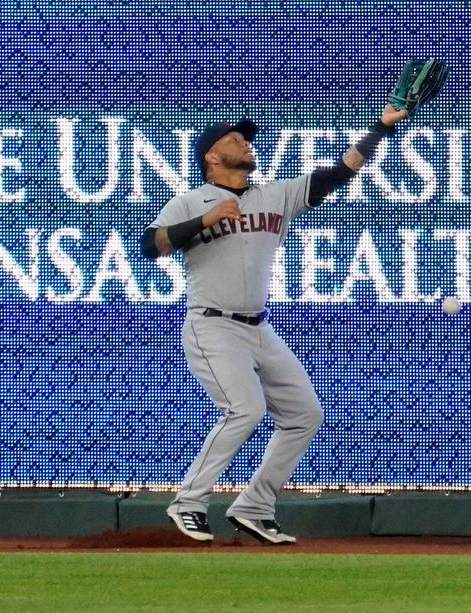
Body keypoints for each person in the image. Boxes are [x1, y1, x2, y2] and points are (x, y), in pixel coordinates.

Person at [142, 104, 409, 544]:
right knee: (245, 410)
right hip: (212, 325)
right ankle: (188, 502)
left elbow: (338, 173)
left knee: (305, 414)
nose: (245, 142)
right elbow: (152, 246)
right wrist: (202, 221)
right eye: (233, 138)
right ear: (211, 155)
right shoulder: (191, 200)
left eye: (245, 137)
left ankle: (254, 505)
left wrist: (380, 127)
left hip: (258, 328)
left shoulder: (274, 195)